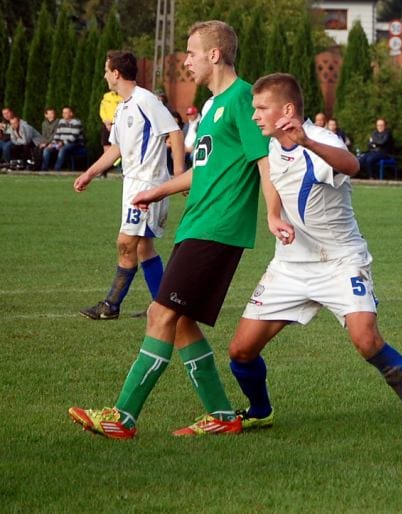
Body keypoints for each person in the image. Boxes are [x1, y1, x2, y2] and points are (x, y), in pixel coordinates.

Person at [68, 20, 287, 438]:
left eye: (191, 52)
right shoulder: (211, 107)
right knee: (181, 320)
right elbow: (203, 172)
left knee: (160, 312)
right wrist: (157, 190)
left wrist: (273, 213)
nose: (186, 61)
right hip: (197, 221)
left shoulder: (242, 98)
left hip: (218, 228)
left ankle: (122, 417)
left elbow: (264, 162)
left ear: (215, 55)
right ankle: (222, 417)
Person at [228, 72, 402, 448]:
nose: (254, 116)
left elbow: (352, 165)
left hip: (341, 262)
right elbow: (275, 180)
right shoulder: (273, 144)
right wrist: (273, 215)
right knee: (241, 351)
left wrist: (307, 141)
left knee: (366, 340)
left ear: (288, 110)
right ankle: (260, 411)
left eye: (261, 108)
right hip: (290, 265)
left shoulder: (320, 140)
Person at [73, 50, 185, 321]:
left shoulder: (145, 100)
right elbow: (116, 149)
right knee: (143, 246)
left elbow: (175, 132)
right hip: (131, 184)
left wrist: (180, 174)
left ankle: (111, 305)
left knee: (125, 243)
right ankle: (163, 306)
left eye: (106, 69)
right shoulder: (122, 107)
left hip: (148, 185)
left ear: (116, 73)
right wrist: (89, 173)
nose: (104, 75)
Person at [41, 106, 85, 171]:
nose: (64, 114)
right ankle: (44, 169)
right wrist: (52, 143)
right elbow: (57, 135)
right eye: (63, 113)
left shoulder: (76, 122)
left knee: (63, 149)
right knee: (47, 149)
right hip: (60, 143)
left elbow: (73, 138)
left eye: (66, 113)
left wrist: (62, 143)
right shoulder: (61, 122)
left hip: (74, 144)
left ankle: (57, 169)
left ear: (71, 113)